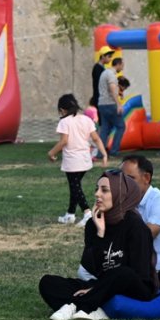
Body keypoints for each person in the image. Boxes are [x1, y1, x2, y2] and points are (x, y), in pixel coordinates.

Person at [42, 170, 156, 320]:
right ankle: (92, 306)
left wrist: (96, 288)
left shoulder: (136, 226)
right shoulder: (93, 224)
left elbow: (138, 274)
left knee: (123, 273)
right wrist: (100, 233)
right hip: (102, 283)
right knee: (48, 282)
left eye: (104, 190)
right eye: (97, 189)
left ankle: (76, 306)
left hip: (135, 286)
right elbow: (93, 267)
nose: (97, 194)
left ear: (120, 194)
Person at [48, 94, 107, 226]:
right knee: (75, 187)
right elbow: (96, 139)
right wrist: (104, 153)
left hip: (72, 162)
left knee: (75, 187)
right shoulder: (86, 119)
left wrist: (51, 153)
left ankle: (87, 213)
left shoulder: (64, 122)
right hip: (85, 160)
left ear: (62, 110)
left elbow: (64, 141)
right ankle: (70, 214)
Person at [97, 56, 127, 157]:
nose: (122, 68)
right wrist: (118, 104)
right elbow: (112, 88)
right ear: (117, 64)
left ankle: (101, 153)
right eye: (122, 66)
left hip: (101, 104)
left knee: (105, 129)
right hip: (110, 104)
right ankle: (114, 150)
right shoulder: (111, 74)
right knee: (121, 126)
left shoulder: (104, 73)